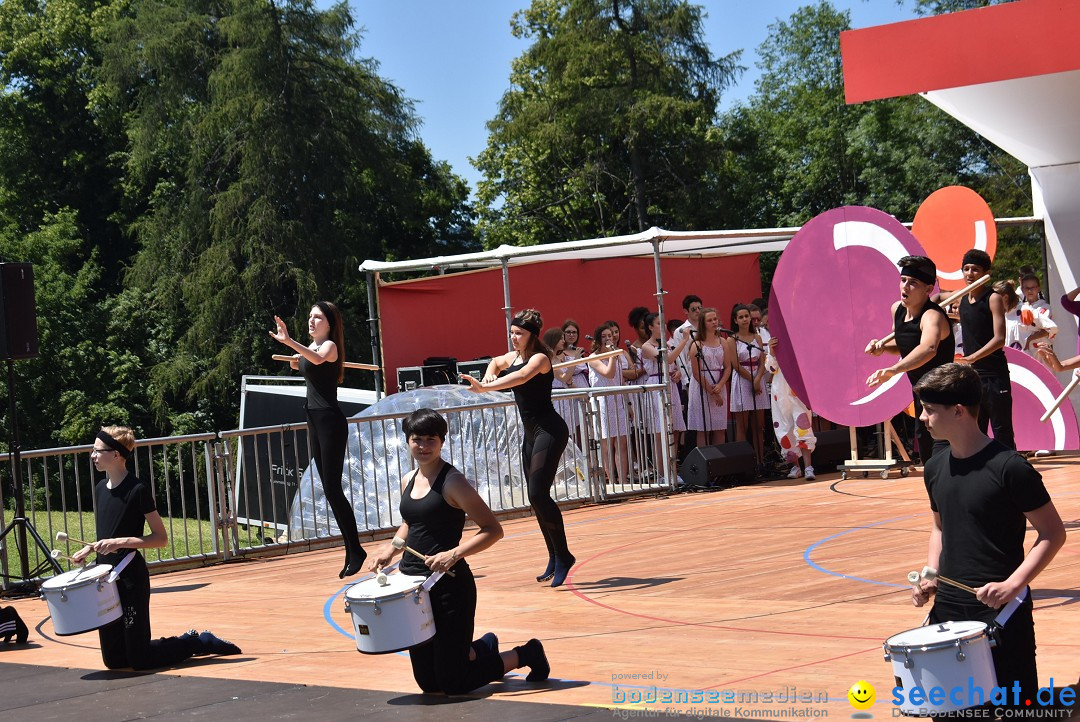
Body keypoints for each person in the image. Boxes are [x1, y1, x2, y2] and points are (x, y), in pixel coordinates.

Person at [910, 364, 1065, 706]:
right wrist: (930, 575)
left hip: (1002, 613)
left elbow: (1053, 533)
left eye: (930, 410)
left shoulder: (1010, 467)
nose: (923, 417)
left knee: (1015, 710)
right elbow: (939, 526)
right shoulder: (935, 467)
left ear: (959, 411)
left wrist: (1014, 584)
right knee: (954, 711)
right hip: (948, 611)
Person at [368, 409, 549, 695]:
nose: (424, 446)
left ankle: (526, 654)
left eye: (431, 440)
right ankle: (482, 647)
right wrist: (390, 548)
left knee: (453, 683)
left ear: (441, 442)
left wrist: (454, 553)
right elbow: (410, 522)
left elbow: (492, 529)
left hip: (449, 587)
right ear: (408, 441)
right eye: (417, 439)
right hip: (414, 588)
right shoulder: (408, 480)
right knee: (429, 683)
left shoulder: (452, 482)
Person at [70, 426, 241, 670]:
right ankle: (168, 645)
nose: (92, 455)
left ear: (116, 454)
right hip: (106, 579)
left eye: (98, 451)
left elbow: (160, 538)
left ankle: (196, 641)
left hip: (130, 577)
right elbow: (108, 534)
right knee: (114, 660)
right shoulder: (99, 489)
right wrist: (90, 550)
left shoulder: (137, 489)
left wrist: (121, 542)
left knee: (140, 659)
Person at [461, 309, 574, 587]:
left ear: (532, 335)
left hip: (549, 429)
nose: (514, 338)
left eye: (519, 334)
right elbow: (495, 362)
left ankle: (564, 555)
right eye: (511, 333)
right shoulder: (512, 356)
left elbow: (521, 378)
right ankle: (553, 556)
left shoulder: (539, 358)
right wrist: (488, 375)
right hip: (531, 434)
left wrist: (486, 389)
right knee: (535, 498)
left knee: (538, 492)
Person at [271, 302, 365, 578]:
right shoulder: (312, 349)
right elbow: (308, 361)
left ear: (330, 323)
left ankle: (356, 549)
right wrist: (295, 356)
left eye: (318, 317)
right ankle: (351, 551)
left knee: (334, 488)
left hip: (329, 421)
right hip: (314, 418)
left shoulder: (329, 347)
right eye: (310, 316)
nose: (311, 321)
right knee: (329, 488)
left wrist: (290, 343)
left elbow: (320, 359)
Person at [866, 256, 955, 464]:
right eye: (903, 280)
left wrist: (893, 370)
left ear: (928, 289)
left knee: (944, 453)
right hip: (920, 392)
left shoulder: (932, 317)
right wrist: (882, 349)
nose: (905, 286)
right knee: (926, 453)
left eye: (913, 282)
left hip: (944, 394)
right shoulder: (897, 309)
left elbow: (928, 348)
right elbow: (903, 344)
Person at [955, 249, 1014, 449]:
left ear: (985, 272)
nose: (970, 274)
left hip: (994, 375)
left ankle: (1010, 475)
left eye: (975, 269)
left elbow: (999, 339)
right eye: (966, 269)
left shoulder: (993, 298)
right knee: (975, 430)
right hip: (973, 378)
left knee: (1002, 430)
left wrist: (972, 357)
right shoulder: (962, 300)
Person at [765, 336, 816, 480]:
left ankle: (808, 467)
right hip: (780, 393)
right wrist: (772, 352)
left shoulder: (799, 340)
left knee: (803, 426)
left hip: (797, 391)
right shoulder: (775, 343)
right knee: (784, 428)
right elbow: (771, 368)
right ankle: (796, 467)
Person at [729, 304, 768, 469]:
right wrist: (752, 380)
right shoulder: (732, 339)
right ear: (735, 320)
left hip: (758, 378)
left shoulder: (757, 337)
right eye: (741, 317)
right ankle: (742, 463)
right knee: (742, 425)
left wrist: (758, 378)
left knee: (759, 425)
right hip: (742, 380)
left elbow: (762, 360)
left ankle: (760, 460)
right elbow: (735, 364)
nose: (745, 319)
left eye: (747, 316)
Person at [686, 307, 731, 447]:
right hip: (702, 388)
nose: (714, 322)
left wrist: (721, 384)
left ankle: (719, 463)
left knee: (719, 428)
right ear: (703, 323)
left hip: (719, 384)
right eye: (709, 320)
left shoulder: (723, 342)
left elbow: (728, 367)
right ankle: (706, 464)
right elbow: (696, 373)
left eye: (715, 319)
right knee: (703, 429)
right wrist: (713, 393)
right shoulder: (697, 345)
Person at [1015, 273, 1057, 357]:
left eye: (1033, 287)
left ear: (1038, 288)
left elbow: (1048, 330)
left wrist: (1029, 339)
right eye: (1027, 288)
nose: (1030, 290)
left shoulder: (1045, 308)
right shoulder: (1018, 308)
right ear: (1022, 289)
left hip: (1040, 350)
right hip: (1022, 350)